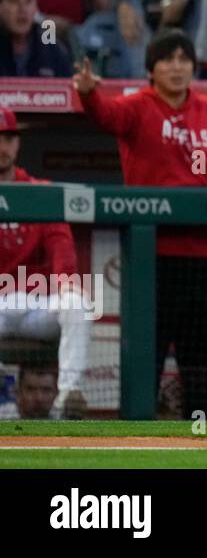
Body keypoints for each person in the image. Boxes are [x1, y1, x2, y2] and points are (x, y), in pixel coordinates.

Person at [74, 29, 207, 419]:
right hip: (150, 257)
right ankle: (139, 448)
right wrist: (90, 92)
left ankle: (201, 448)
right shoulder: (138, 106)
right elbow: (105, 116)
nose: (176, 67)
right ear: (150, 70)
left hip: (201, 259)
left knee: (200, 365)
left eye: (183, 59)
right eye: (167, 60)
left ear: (193, 67)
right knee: (147, 361)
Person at [0, 105, 89, 418]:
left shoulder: (41, 191)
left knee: (77, 303)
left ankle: (68, 396)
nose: (2, 146)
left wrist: (66, 286)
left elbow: (62, 249)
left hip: (36, 305)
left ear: (18, 144)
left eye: (8, 138)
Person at [0, 0, 72, 76]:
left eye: (28, 1)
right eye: (14, 1)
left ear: (36, 8)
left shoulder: (50, 46)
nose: (22, 9)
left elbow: (69, 87)